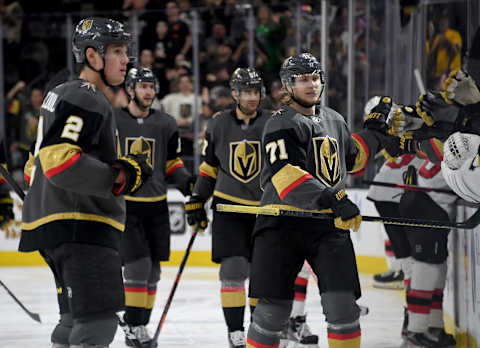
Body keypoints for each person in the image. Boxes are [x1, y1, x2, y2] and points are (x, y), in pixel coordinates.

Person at [18, 17, 152, 348]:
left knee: (73, 320)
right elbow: (59, 161)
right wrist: (121, 176)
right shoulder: (88, 95)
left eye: (126, 52)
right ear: (92, 57)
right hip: (82, 226)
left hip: (57, 225)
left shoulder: (60, 94)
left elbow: (33, 167)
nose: (126, 60)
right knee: (98, 324)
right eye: (117, 51)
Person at [242, 53, 392, 348]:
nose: (311, 84)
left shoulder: (334, 119)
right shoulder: (280, 123)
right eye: (302, 79)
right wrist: (334, 197)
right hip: (281, 224)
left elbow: (353, 158)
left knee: (344, 309)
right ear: (288, 85)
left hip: (326, 225)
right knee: (272, 314)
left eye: (315, 78)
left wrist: (375, 134)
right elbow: (285, 174)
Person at [185, 67, 271, 348]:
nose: (252, 97)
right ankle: (235, 331)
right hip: (228, 209)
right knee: (233, 272)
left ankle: (261, 330)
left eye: (256, 91)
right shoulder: (218, 123)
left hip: (264, 210)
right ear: (234, 93)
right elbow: (210, 167)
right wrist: (198, 199)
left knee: (262, 275)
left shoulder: (273, 122)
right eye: (246, 91)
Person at [115, 67, 194, 347]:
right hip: (126, 207)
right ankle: (133, 326)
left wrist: (189, 184)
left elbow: (172, 163)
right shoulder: (113, 120)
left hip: (157, 206)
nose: (148, 92)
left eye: (151, 86)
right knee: (138, 266)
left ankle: (140, 326)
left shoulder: (166, 123)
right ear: (130, 89)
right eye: (142, 86)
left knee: (153, 272)